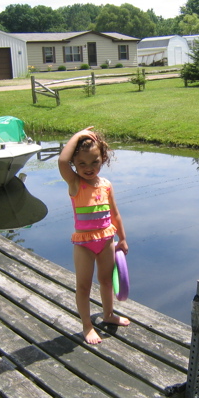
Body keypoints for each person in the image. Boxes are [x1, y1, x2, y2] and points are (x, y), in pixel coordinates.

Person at [58, 127, 130, 344]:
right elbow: (62, 162)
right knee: (84, 286)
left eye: (94, 162)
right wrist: (78, 136)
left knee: (106, 280)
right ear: (74, 164)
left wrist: (123, 238)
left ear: (103, 159)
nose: (88, 168)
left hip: (107, 239)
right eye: (82, 164)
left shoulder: (106, 184)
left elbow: (115, 213)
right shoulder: (75, 183)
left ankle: (108, 314)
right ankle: (87, 326)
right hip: (84, 245)